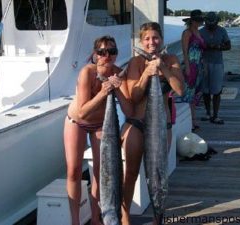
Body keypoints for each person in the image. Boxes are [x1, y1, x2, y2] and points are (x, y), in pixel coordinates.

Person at [64, 35, 132, 225]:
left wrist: (117, 89)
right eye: (102, 52)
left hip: (102, 124)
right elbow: (83, 112)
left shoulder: (120, 74)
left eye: (111, 51)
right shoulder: (87, 72)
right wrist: (103, 91)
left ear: (116, 54)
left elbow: (129, 110)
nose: (107, 55)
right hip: (76, 122)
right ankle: (75, 221)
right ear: (95, 54)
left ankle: (95, 219)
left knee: (100, 172)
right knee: (73, 170)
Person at [121, 22, 184, 225]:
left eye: (155, 37)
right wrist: (147, 73)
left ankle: (159, 219)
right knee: (130, 172)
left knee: (158, 173)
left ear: (162, 39)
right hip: (137, 124)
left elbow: (180, 90)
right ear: (141, 41)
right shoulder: (135, 63)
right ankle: (124, 217)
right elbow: (134, 96)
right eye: (147, 38)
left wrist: (162, 67)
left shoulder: (171, 59)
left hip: (160, 126)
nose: (151, 42)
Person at [200, 11, 231, 124]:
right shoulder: (201, 32)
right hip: (203, 63)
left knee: (217, 90)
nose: (211, 26)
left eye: (213, 24)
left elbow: (228, 46)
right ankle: (208, 113)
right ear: (205, 22)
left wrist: (218, 46)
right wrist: (205, 47)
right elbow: (195, 47)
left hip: (217, 63)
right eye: (209, 24)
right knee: (205, 90)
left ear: (217, 22)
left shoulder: (222, 30)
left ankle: (216, 115)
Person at [181, 9, 206, 131]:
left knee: (197, 93)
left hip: (199, 65)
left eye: (201, 20)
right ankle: (191, 122)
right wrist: (187, 67)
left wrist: (203, 66)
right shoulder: (187, 33)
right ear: (192, 21)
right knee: (190, 94)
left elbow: (202, 50)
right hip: (191, 65)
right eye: (198, 20)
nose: (200, 23)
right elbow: (185, 51)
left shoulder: (198, 32)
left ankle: (193, 120)